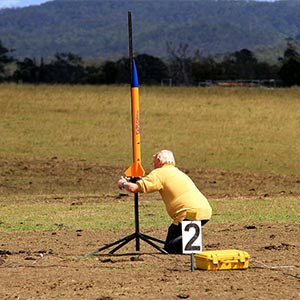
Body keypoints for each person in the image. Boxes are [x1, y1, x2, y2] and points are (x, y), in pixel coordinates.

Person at [117, 149, 212, 254]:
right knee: (173, 232)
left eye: (154, 162)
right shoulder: (176, 172)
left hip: (186, 213)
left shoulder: (159, 173)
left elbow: (134, 188)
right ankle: (190, 241)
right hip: (205, 211)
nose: (153, 165)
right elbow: (150, 182)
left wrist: (123, 183)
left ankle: (190, 242)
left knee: (170, 248)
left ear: (159, 160)